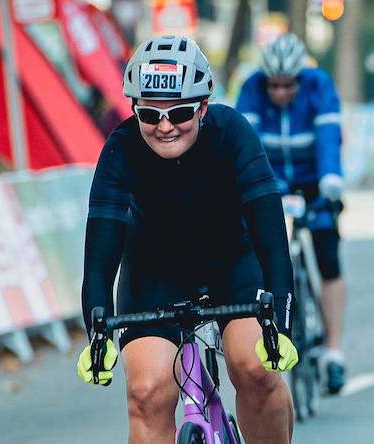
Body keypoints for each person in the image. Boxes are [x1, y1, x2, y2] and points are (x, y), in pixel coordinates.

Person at [76, 35, 298, 444]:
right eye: (148, 114)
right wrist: (97, 331)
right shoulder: (121, 149)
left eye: (178, 112)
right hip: (154, 270)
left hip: (233, 262)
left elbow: (270, 235)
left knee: (255, 369)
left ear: (202, 106)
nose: (164, 126)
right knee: (145, 393)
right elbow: (100, 261)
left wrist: (280, 319)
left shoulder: (232, 133)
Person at [235, 33, 350, 393]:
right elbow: (241, 143)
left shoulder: (319, 85)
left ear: (301, 78)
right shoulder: (251, 88)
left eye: (288, 85)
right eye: (274, 85)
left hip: (314, 180)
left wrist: (332, 184)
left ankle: (333, 352)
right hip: (270, 183)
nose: (281, 93)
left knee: (327, 257)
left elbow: (330, 139)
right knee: (265, 253)